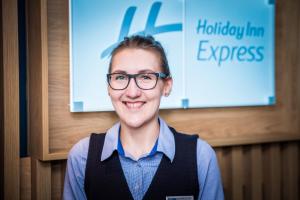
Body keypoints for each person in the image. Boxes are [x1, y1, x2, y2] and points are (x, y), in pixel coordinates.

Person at [63, 35, 224, 200]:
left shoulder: (200, 157)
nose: (132, 93)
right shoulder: (81, 158)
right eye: (120, 77)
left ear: (166, 86)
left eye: (146, 77)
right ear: (108, 87)